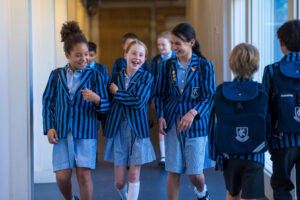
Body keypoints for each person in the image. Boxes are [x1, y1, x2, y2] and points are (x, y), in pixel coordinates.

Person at [42, 21, 110, 200]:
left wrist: (97, 99)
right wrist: (49, 127)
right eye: (78, 55)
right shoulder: (56, 75)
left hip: (86, 132)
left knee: (83, 175)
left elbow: (106, 106)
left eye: (86, 54)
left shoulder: (96, 75)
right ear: (67, 55)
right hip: (62, 132)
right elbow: (47, 102)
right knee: (62, 176)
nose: (84, 59)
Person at [154, 22, 216, 200]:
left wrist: (193, 112)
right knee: (173, 171)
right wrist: (160, 116)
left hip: (196, 127)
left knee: (194, 174)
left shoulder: (205, 66)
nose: (174, 47)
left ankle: (202, 192)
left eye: (178, 43)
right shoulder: (166, 66)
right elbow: (159, 94)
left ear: (191, 43)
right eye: (172, 43)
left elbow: (209, 96)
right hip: (173, 125)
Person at [210, 43, 269, 200]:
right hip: (255, 154)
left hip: (229, 154)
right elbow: (268, 122)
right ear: (255, 65)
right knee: (251, 197)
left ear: (232, 65)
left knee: (232, 193)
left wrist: (216, 155)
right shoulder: (261, 91)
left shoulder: (221, 91)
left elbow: (214, 126)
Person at [103, 40, 156, 200]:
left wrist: (118, 93)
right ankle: (125, 196)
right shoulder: (114, 77)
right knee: (119, 182)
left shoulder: (147, 78)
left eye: (141, 55)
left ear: (145, 59)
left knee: (133, 176)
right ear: (125, 55)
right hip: (118, 132)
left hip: (138, 132)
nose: (137, 57)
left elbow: (139, 102)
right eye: (133, 53)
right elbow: (108, 103)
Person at [262, 19, 300, 200]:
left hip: (282, 139)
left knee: (281, 187)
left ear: (281, 42)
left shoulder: (271, 71)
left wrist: (268, 139)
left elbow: (265, 109)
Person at [150, 32, 176, 166]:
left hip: (173, 96)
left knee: (173, 124)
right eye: (158, 44)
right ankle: (163, 156)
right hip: (160, 95)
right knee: (161, 122)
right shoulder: (156, 60)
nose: (161, 47)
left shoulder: (176, 58)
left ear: (170, 44)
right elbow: (153, 78)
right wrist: (153, 97)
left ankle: (174, 153)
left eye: (163, 44)